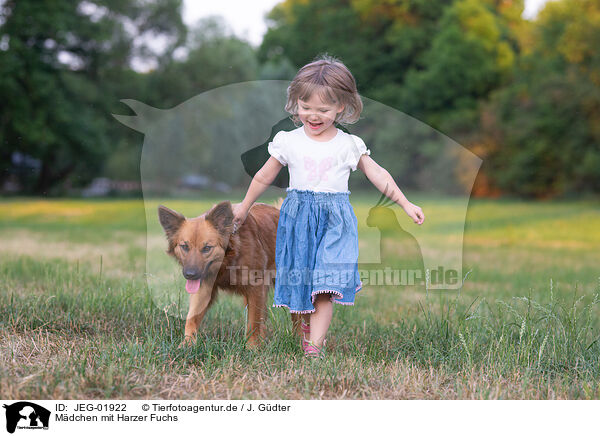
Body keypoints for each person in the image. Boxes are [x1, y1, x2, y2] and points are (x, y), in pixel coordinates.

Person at [232, 54, 425, 358]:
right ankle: (307, 326)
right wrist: (243, 207)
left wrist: (404, 202)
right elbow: (264, 175)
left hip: (335, 221)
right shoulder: (288, 141)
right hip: (297, 218)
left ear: (341, 107)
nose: (313, 115)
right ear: (295, 104)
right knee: (304, 280)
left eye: (323, 109)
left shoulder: (348, 145)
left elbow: (377, 173)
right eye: (305, 107)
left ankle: (314, 348)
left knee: (326, 283)